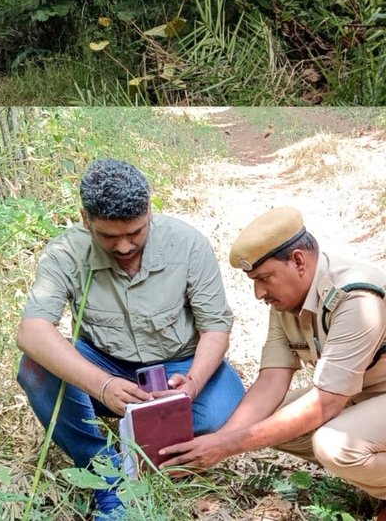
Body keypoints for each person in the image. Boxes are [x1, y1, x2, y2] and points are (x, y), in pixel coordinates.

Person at [15, 159, 244, 520]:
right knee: (35, 369)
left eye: (135, 233)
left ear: (150, 211)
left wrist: (193, 384)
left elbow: (215, 326)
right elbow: (32, 331)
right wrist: (102, 385)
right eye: (108, 236)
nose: (124, 247)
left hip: (179, 364)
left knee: (224, 414)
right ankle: (105, 474)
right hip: (102, 364)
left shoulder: (187, 244)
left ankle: (155, 456)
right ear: (84, 218)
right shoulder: (66, 253)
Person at [160, 207, 386, 519]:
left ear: (297, 261)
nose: (258, 293)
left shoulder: (355, 297)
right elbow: (271, 381)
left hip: (369, 397)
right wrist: (216, 442)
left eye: (265, 279)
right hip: (362, 394)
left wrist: (226, 447)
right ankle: (372, 475)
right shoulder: (287, 300)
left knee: (334, 445)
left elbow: (326, 404)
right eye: (253, 280)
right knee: (271, 418)